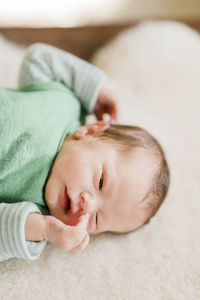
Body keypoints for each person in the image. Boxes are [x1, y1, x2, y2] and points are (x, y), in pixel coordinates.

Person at [0, 43, 170, 261]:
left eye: (96, 220)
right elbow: (38, 58)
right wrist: (92, 90)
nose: (87, 206)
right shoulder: (66, 104)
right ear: (90, 131)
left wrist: (42, 229)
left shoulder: (33, 214)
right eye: (100, 182)